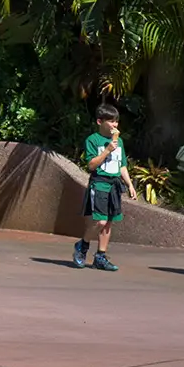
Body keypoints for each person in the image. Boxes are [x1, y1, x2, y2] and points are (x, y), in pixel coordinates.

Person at [74, 102, 128, 272]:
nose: (115, 125)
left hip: (114, 185)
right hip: (99, 183)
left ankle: (100, 257)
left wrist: (130, 184)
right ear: (100, 122)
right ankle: (82, 245)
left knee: (109, 223)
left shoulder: (119, 141)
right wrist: (107, 151)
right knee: (100, 221)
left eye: (116, 121)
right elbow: (91, 165)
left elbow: (122, 165)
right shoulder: (93, 140)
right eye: (111, 121)